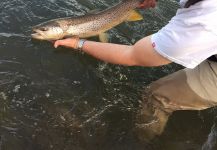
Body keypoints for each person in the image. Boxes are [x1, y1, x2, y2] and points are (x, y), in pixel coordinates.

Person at [54, 0, 217, 142]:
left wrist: (78, 43)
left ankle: (143, 140)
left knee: (157, 95)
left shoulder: (203, 23)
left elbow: (132, 55)